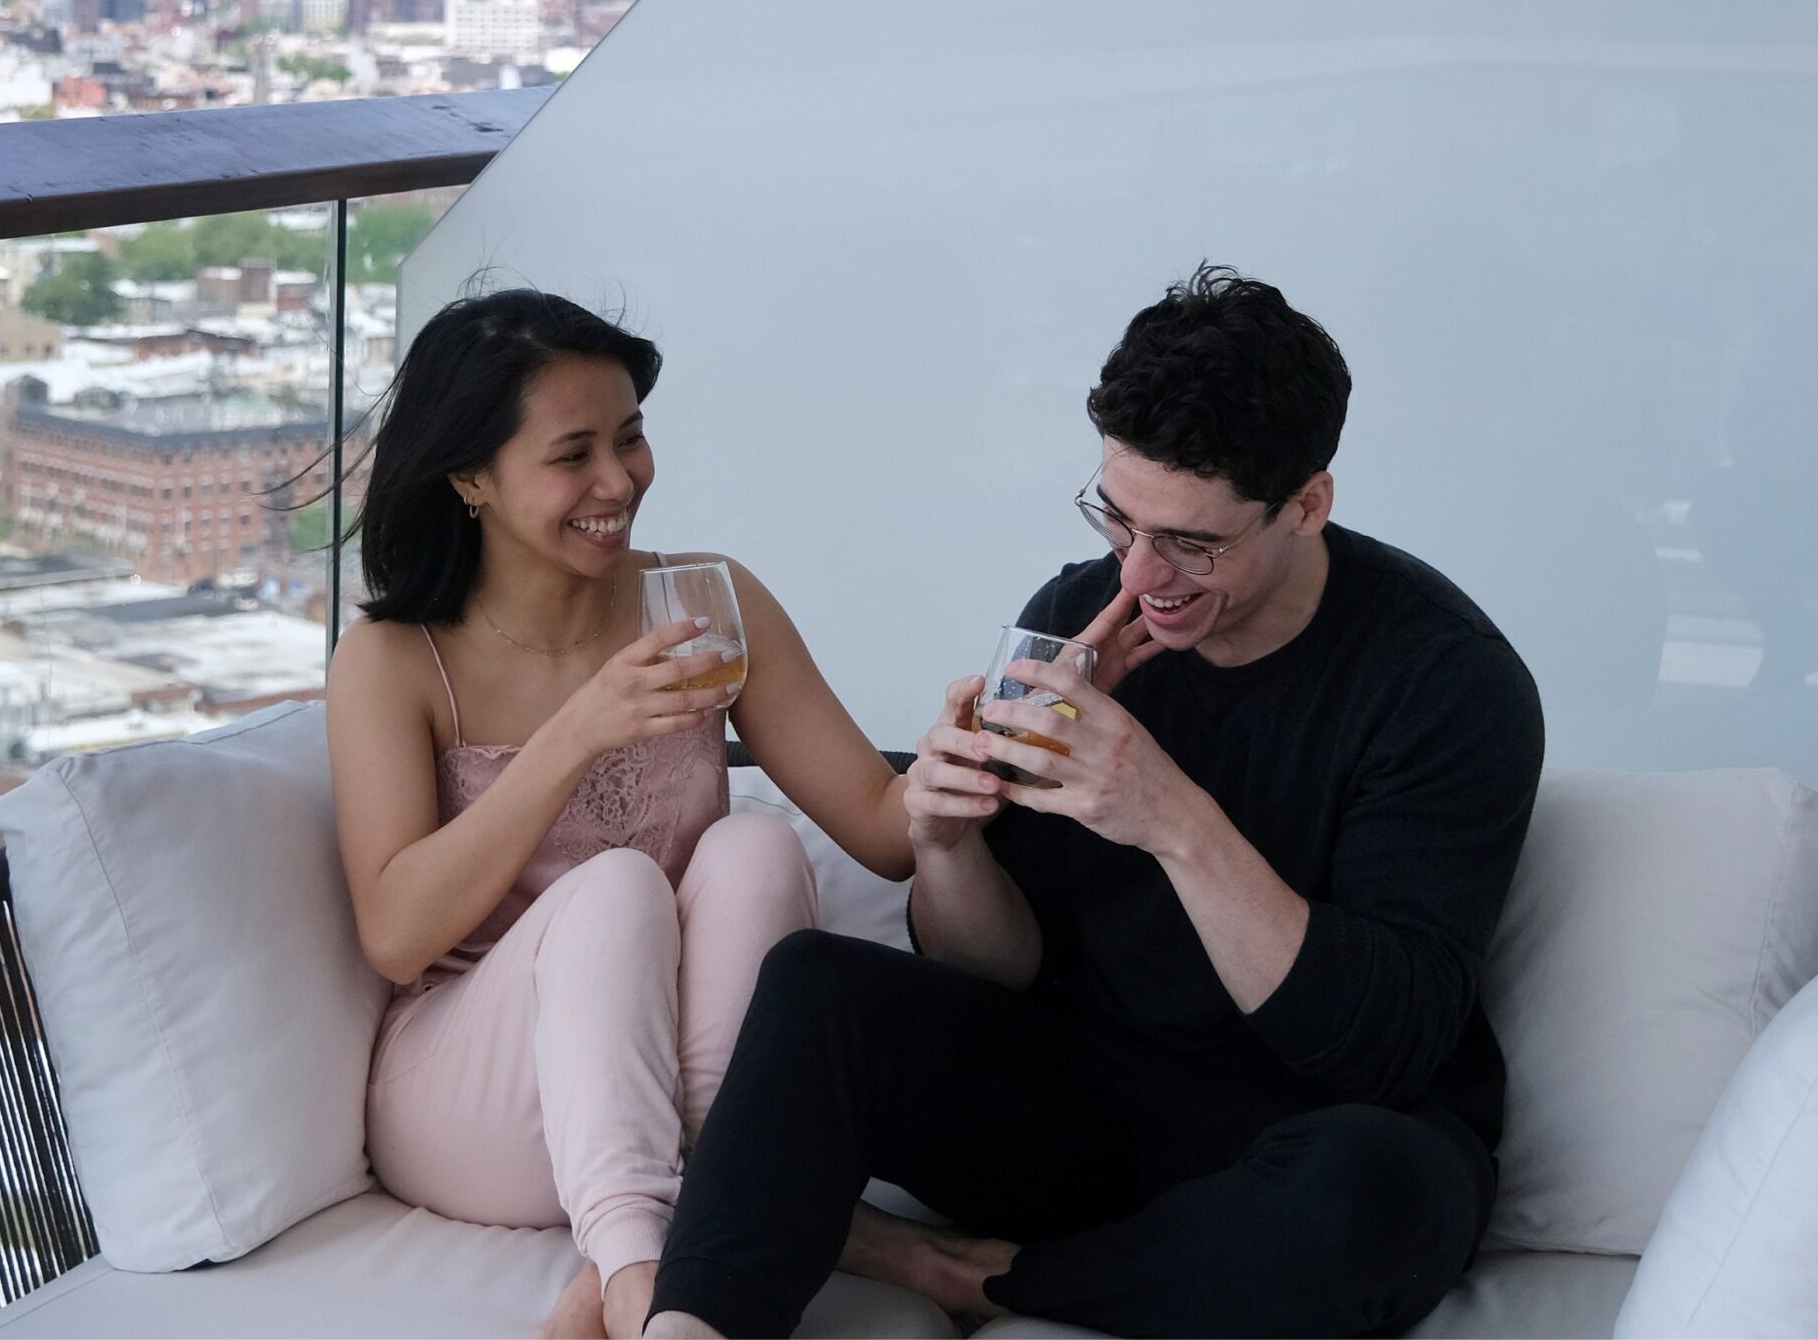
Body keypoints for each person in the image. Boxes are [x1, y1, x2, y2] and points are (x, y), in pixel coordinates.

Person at [646, 265, 1544, 1338]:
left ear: (1307, 503)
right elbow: (997, 973)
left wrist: (1167, 812)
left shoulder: (1445, 682)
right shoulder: (1078, 613)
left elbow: (1376, 1050)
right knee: (819, 987)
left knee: (1376, 1194)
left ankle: (978, 1279)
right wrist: (949, 843)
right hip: (1085, 1105)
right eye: (1119, 520)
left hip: (1305, 1132)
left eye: (1192, 544)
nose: (1141, 576)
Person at [330, 289, 945, 1340]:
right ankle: (640, 1276)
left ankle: (672, 1244)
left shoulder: (707, 601)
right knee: (613, 887)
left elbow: (882, 833)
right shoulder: (392, 659)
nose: (618, 482)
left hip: (667, 1087)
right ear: (470, 476)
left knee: (751, 848)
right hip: (476, 1097)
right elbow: (396, 938)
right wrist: (580, 729)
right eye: (573, 455)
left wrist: (965, 764)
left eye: (631, 438)